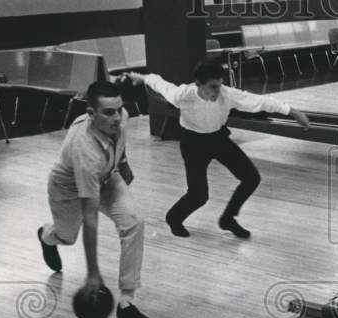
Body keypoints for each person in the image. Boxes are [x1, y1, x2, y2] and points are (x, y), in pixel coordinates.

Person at [127, 60, 310, 239]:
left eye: (220, 85)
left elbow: (258, 101)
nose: (218, 91)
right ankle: (174, 218)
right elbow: (159, 84)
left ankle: (228, 219)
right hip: (193, 144)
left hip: (218, 139)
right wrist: (142, 78)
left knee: (251, 178)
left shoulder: (226, 94)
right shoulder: (182, 94)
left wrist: (292, 112)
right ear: (198, 84)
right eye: (213, 86)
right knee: (198, 196)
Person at [36, 80, 153, 318]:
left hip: (107, 178)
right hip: (67, 190)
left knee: (134, 222)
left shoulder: (122, 117)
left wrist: (122, 163)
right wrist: (93, 273)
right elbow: (91, 218)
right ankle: (47, 236)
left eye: (118, 110)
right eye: (108, 112)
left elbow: (119, 142)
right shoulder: (85, 150)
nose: (117, 118)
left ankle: (127, 303)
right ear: (91, 114)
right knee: (67, 238)